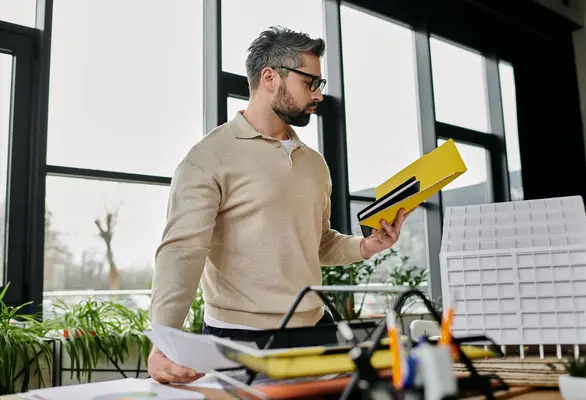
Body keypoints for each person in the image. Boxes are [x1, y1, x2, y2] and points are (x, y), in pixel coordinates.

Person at [147, 26, 410, 384]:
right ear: (270, 77)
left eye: (320, 83)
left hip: (316, 332)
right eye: (310, 82)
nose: (318, 95)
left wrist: (365, 246)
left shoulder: (314, 162)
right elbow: (181, 252)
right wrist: (163, 340)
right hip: (241, 340)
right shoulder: (207, 159)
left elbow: (318, 243)